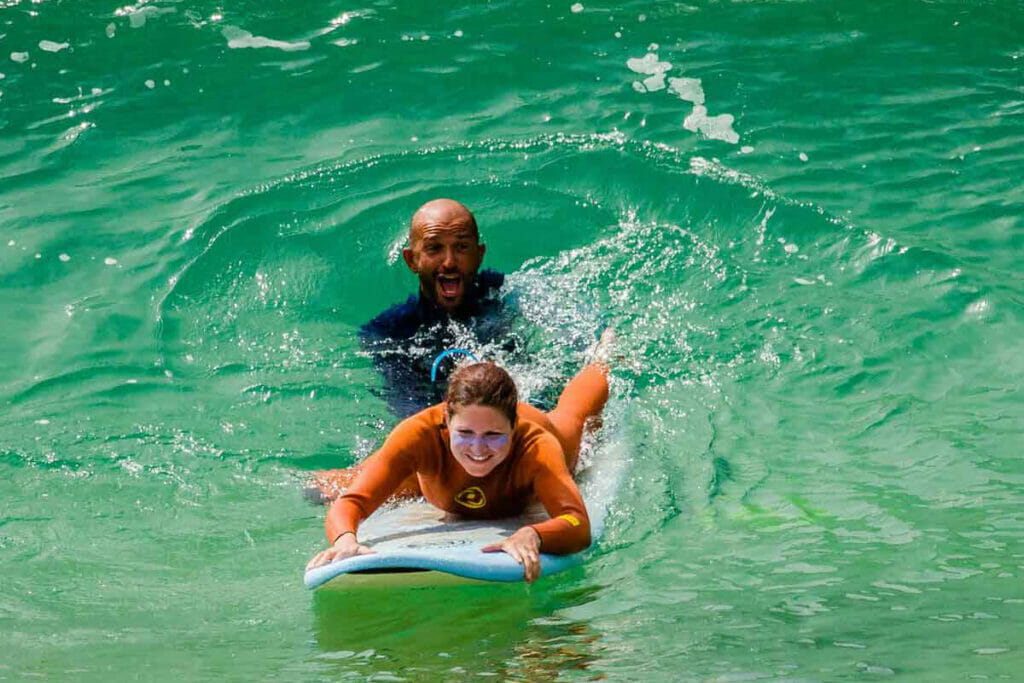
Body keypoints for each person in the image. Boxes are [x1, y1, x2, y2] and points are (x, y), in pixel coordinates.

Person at [306, 354, 610, 583]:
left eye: (493, 435)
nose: (478, 450)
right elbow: (352, 501)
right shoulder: (418, 435)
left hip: (541, 443)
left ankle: (603, 355)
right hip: (438, 478)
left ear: (514, 426)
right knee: (335, 486)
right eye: (465, 434)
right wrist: (346, 539)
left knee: (575, 416)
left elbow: (576, 523)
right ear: (446, 422)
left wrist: (534, 534)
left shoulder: (537, 446)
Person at [361, 199, 511, 417]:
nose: (449, 261)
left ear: (479, 255)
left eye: (461, 247)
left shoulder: (500, 294)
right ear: (412, 260)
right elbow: (407, 408)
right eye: (434, 248)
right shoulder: (389, 331)